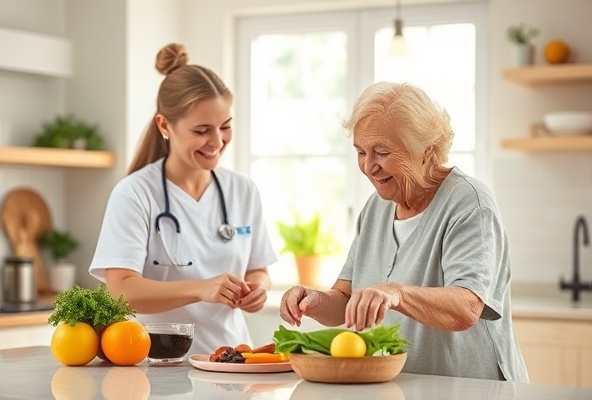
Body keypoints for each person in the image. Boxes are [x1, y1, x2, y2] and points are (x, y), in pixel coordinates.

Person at [279, 82, 529, 382]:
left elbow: (466, 307)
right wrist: (312, 300)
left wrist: (396, 292)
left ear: (426, 152)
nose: (369, 166)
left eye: (382, 152)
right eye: (360, 151)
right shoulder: (376, 208)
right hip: (403, 389)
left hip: (472, 389)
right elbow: (349, 301)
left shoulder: (469, 203)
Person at [89, 43, 277, 355]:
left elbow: (258, 270)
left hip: (230, 363)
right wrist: (201, 289)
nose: (217, 141)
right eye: (202, 130)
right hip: (157, 366)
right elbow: (121, 290)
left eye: (225, 127)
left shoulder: (243, 190)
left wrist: (259, 289)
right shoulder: (135, 194)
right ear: (165, 125)